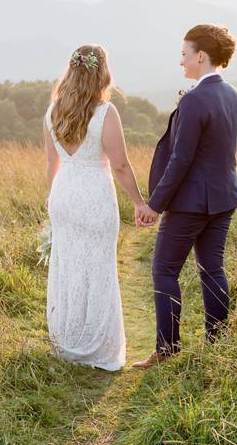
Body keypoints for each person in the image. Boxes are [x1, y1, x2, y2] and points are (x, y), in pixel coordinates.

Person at [132, 24, 237, 370]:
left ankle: (167, 349)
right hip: (224, 197)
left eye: (184, 54)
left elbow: (181, 160)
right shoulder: (232, 94)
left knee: (164, 269)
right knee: (212, 269)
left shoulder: (197, 99)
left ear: (200, 56)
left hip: (191, 203)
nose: (181, 61)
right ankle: (218, 344)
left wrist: (155, 205)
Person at [42, 43, 157, 371]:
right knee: (97, 270)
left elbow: (53, 161)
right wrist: (139, 201)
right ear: (102, 72)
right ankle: (95, 349)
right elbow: (119, 165)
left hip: (63, 195)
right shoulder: (105, 112)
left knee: (68, 269)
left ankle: (68, 342)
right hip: (93, 196)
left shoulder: (52, 111)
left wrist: (54, 198)